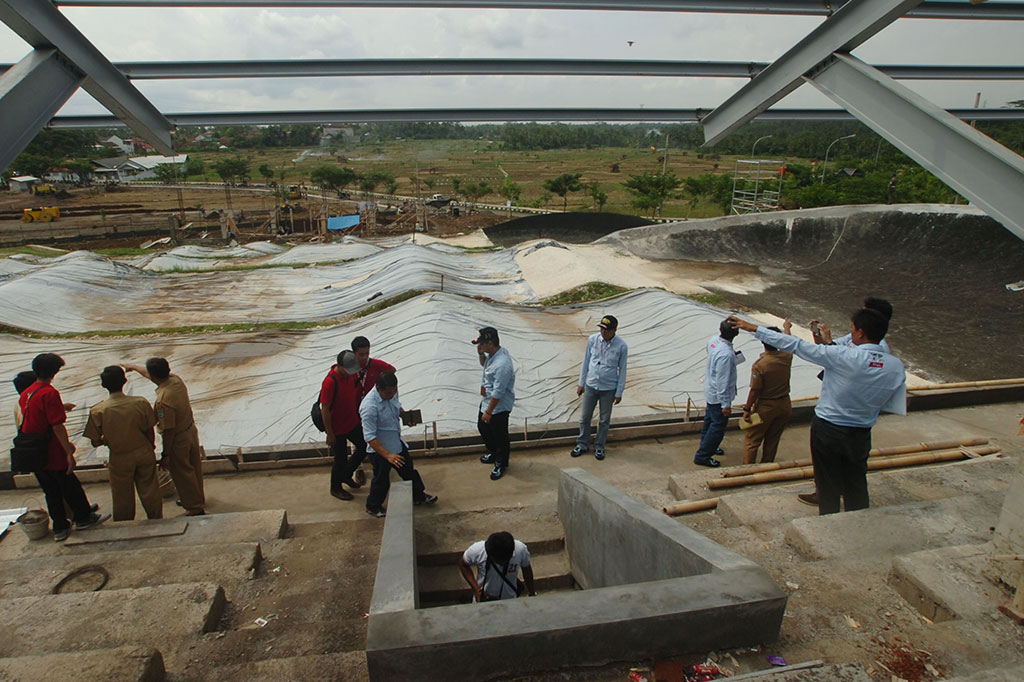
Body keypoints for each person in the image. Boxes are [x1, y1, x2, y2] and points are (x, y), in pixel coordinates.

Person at [728, 309, 906, 515]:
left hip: (829, 428)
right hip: (861, 431)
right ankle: (858, 519)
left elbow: (797, 346)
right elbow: (894, 405)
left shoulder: (844, 356)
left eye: (852, 329)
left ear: (860, 332)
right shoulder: (895, 366)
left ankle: (829, 519)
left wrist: (753, 328)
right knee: (856, 480)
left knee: (827, 481)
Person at [799, 297, 893, 505]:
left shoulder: (878, 351)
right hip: (846, 415)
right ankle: (834, 496)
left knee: (845, 471)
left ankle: (833, 503)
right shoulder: (860, 339)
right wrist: (823, 339)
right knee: (844, 471)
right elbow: (833, 350)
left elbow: (844, 360)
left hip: (846, 419)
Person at [19, 353, 109, 541]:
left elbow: (38, 413)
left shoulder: (28, 392)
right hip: (51, 450)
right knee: (70, 485)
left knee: (51, 490)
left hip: (34, 452)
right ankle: (83, 517)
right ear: (54, 372)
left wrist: (61, 406)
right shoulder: (49, 393)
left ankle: (60, 526)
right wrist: (68, 452)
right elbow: (57, 426)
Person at [125, 358, 205, 516]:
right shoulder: (176, 381)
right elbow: (150, 374)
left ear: (154, 377)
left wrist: (166, 454)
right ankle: (197, 498)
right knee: (194, 468)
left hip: (178, 440)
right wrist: (133, 366)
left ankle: (194, 507)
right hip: (190, 431)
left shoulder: (163, 401)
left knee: (183, 473)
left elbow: (169, 430)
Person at [83, 366, 163, 521]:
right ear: (124, 381)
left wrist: (107, 439)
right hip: (143, 451)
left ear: (103, 385)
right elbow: (149, 429)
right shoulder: (140, 402)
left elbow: (95, 441)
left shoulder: (98, 410)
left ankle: (124, 525)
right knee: (150, 490)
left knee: (122, 495)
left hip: (119, 457)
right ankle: (156, 519)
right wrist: (150, 446)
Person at [360, 371, 437, 517]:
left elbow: (396, 405)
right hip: (381, 451)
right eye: (388, 393)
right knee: (381, 480)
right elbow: (369, 437)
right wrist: (388, 455)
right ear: (379, 389)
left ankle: (418, 496)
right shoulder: (369, 407)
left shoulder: (392, 392)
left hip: (396, 443)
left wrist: (405, 416)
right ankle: (373, 506)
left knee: (409, 471)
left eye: (394, 391)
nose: (392, 395)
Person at [571, 315, 628, 461]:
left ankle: (599, 447)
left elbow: (623, 370)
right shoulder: (593, 340)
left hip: (608, 389)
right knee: (585, 418)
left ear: (614, 330)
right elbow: (586, 362)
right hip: (591, 385)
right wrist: (581, 383)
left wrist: (619, 392)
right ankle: (582, 444)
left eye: (607, 330)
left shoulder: (621, 346)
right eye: (602, 329)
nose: (603, 333)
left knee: (604, 420)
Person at [693, 320, 744, 468]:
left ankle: (707, 445)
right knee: (717, 426)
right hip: (718, 396)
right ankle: (703, 455)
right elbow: (722, 383)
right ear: (736, 333)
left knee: (709, 421)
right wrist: (726, 404)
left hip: (711, 390)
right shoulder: (726, 355)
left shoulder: (714, 341)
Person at [741, 323, 793, 465]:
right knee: (773, 439)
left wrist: (747, 409)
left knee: (752, 440)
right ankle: (766, 467)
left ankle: (748, 471)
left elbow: (755, 390)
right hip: (784, 403)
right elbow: (790, 342)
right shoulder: (787, 356)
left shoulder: (761, 365)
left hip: (765, 406)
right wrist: (787, 328)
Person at [349, 336, 397, 486]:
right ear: (354, 353)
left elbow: (392, 371)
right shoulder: (349, 368)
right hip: (355, 410)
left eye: (367, 353)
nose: (364, 357)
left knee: (374, 437)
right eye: (361, 354)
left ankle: (380, 464)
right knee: (358, 443)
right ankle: (359, 469)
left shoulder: (376, 365)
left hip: (373, 409)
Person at [319, 349, 363, 501]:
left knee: (364, 446)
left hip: (351, 421)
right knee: (340, 459)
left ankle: (346, 474)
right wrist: (330, 433)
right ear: (339, 366)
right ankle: (335, 487)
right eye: (347, 370)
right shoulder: (330, 382)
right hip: (337, 428)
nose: (350, 373)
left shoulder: (351, 376)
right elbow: (324, 408)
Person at [473, 327, 516, 480]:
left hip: (498, 407)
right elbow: (484, 365)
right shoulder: (493, 354)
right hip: (487, 401)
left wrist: (489, 412)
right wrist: (480, 354)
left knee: (500, 436)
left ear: (490, 343)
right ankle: (493, 452)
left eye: (482, 344)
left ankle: (501, 462)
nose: (480, 346)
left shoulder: (502, 364)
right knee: (483, 427)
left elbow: (498, 392)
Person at [458, 531, 537, 602]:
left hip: (510, 601)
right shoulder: (478, 550)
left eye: (505, 560)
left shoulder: (520, 550)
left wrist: (532, 593)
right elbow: (463, 564)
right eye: (498, 561)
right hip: (483, 602)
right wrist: (476, 590)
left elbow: (526, 569)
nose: (502, 564)